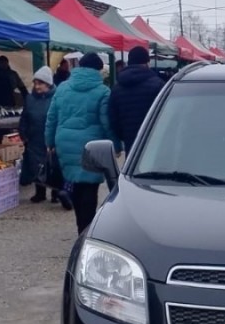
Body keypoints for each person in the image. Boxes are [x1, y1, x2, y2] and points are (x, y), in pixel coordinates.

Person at [46, 52, 113, 234]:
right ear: (98, 70)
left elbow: (52, 117)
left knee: (75, 183)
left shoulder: (62, 88)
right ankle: (86, 230)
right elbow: (106, 122)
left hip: (64, 142)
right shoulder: (103, 91)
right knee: (89, 187)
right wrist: (116, 145)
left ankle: (80, 227)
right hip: (91, 146)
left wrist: (49, 141)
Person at [108, 46, 164, 152]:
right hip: (155, 142)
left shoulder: (117, 88)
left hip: (130, 142)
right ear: (147, 63)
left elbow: (113, 119)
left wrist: (124, 135)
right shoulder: (158, 85)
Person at [20, 67, 55, 204]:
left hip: (50, 137)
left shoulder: (56, 98)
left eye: (40, 83)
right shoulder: (30, 99)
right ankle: (40, 192)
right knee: (36, 165)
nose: (37, 86)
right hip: (34, 137)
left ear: (48, 84)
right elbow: (24, 117)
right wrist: (23, 133)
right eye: (35, 83)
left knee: (52, 166)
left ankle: (55, 192)